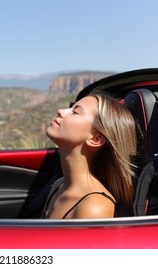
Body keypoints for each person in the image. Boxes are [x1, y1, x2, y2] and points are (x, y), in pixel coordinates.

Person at [42, 91, 138, 219]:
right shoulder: (58, 185)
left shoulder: (94, 207)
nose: (60, 111)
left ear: (96, 139)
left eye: (75, 112)